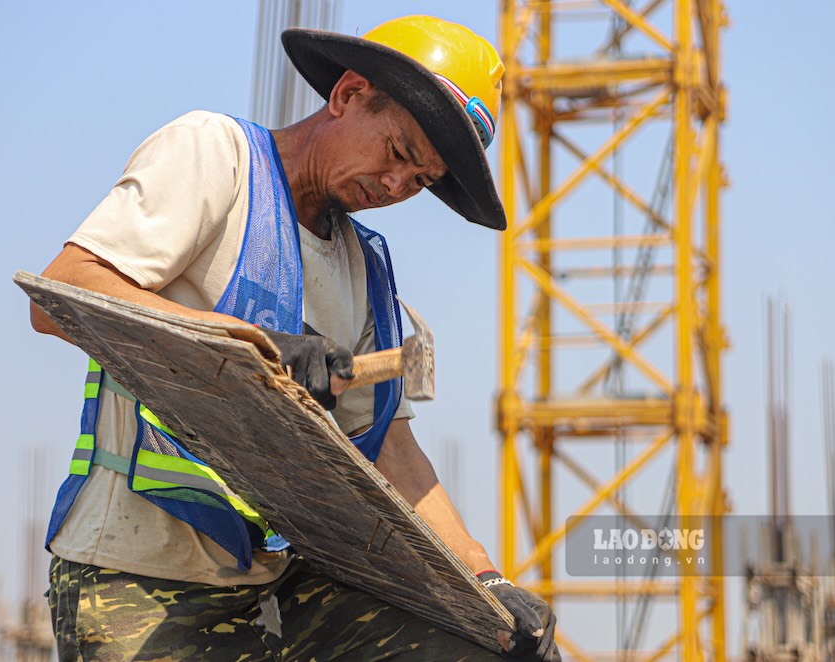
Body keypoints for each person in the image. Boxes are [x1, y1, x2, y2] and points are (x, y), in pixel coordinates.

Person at [30, 14, 560, 662]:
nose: (396, 186)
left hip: (275, 592)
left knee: (477, 645)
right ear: (347, 95)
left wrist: (486, 580)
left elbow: (391, 449)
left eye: (419, 180)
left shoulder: (364, 272)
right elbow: (64, 293)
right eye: (397, 152)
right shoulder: (215, 158)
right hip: (131, 579)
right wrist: (243, 348)